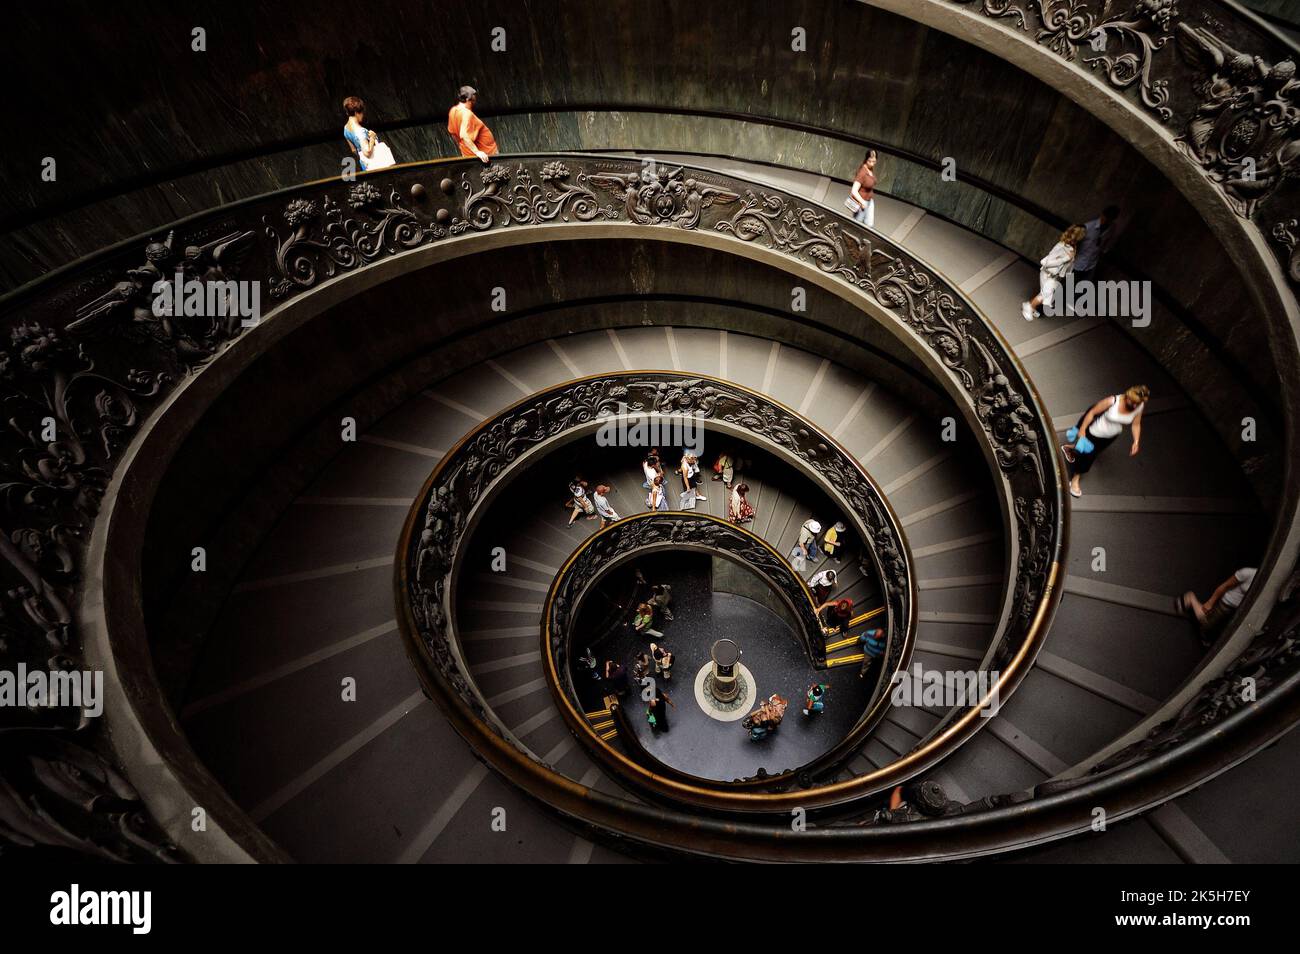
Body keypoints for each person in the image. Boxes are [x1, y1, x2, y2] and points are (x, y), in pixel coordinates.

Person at [1061, 385, 1149, 498]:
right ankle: (1075, 479)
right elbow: (1092, 412)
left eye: (1138, 403)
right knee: (1089, 456)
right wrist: (1082, 429)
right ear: (1127, 396)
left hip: (1110, 437)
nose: (1135, 405)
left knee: (1092, 453)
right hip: (1094, 432)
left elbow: (1136, 424)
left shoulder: (1139, 406)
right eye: (1133, 402)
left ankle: (1069, 448)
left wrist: (1136, 441)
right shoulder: (1112, 401)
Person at [1022, 225, 1087, 321]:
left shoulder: (1073, 247)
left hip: (1055, 276)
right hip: (1048, 274)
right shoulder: (1061, 246)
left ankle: (1031, 306)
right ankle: (1029, 306)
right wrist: (1066, 258)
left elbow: (1069, 264)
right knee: (1045, 295)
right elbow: (1048, 263)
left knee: (1045, 294)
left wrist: (1067, 273)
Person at [1179, 567, 1256, 645]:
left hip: (1237, 609)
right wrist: (1210, 602)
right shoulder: (1247, 572)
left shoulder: (1261, 583)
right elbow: (1225, 586)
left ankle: (1206, 634)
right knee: (1206, 622)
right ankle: (1191, 598)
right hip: (1226, 602)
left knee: (1219, 627)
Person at [342, 96, 396, 171]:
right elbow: (367, 152)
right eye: (361, 112)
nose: (363, 115)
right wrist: (372, 138)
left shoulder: (346, 129)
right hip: (377, 166)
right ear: (356, 112)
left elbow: (354, 150)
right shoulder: (360, 131)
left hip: (365, 165)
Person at [1072, 205, 1122, 285]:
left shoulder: (1112, 228)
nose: (1105, 221)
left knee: (1084, 289)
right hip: (1077, 263)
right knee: (1069, 288)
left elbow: (1107, 242)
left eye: (1109, 220)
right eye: (1105, 218)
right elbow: (1073, 242)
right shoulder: (1088, 227)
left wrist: (1104, 250)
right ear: (1102, 214)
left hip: (1092, 264)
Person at [447, 86, 498, 163]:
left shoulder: (453, 110)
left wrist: (464, 147)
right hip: (486, 157)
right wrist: (477, 152)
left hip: (470, 156)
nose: (475, 99)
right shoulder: (467, 114)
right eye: (474, 96)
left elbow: (453, 134)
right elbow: (464, 135)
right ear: (468, 99)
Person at [847, 148, 878, 228]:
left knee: (869, 225)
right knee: (858, 225)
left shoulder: (870, 169)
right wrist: (862, 202)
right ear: (866, 159)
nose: (872, 164)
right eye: (870, 161)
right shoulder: (862, 172)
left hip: (869, 201)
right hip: (861, 202)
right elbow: (854, 190)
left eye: (874, 161)